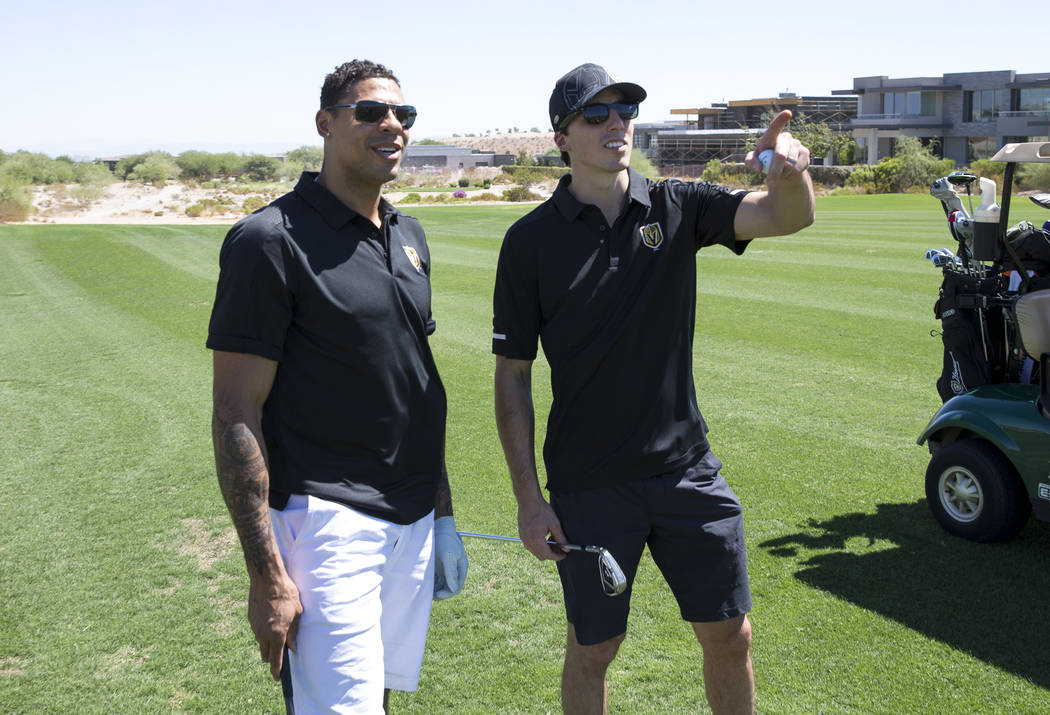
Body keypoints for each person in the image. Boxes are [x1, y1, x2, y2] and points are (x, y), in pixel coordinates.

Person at [492, 63, 814, 714]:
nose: (616, 122)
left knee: (731, 633)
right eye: (596, 113)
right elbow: (513, 377)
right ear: (562, 137)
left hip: (687, 473)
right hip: (589, 483)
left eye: (625, 110)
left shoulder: (677, 205)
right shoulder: (528, 243)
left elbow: (785, 217)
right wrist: (530, 500)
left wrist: (791, 170)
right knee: (593, 648)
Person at [207, 59, 468, 714]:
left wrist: (442, 513)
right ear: (325, 124)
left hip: (409, 517)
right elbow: (237, 409)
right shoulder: (269, 240)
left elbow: (412, 386)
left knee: (375, 698)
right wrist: (267, 573)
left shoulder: (409, 236)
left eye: (403, 115)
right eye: (371, 112)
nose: (392, 126)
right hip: (325, 525)